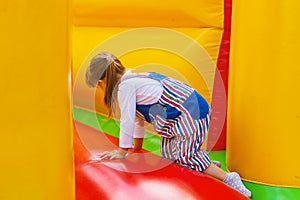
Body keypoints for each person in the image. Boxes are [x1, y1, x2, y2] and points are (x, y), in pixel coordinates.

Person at [85, 52, 251, 198]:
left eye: (98, 86)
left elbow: (127, 120)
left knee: (185, 157)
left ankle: (229, 178)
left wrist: (121, 152)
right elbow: (137, 119)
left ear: (102, 80)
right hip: (182, 116)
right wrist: (137, 148)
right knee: (169, 155)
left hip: (191, 114)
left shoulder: (125, 87)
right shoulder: (137, 77)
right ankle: (205, 163)